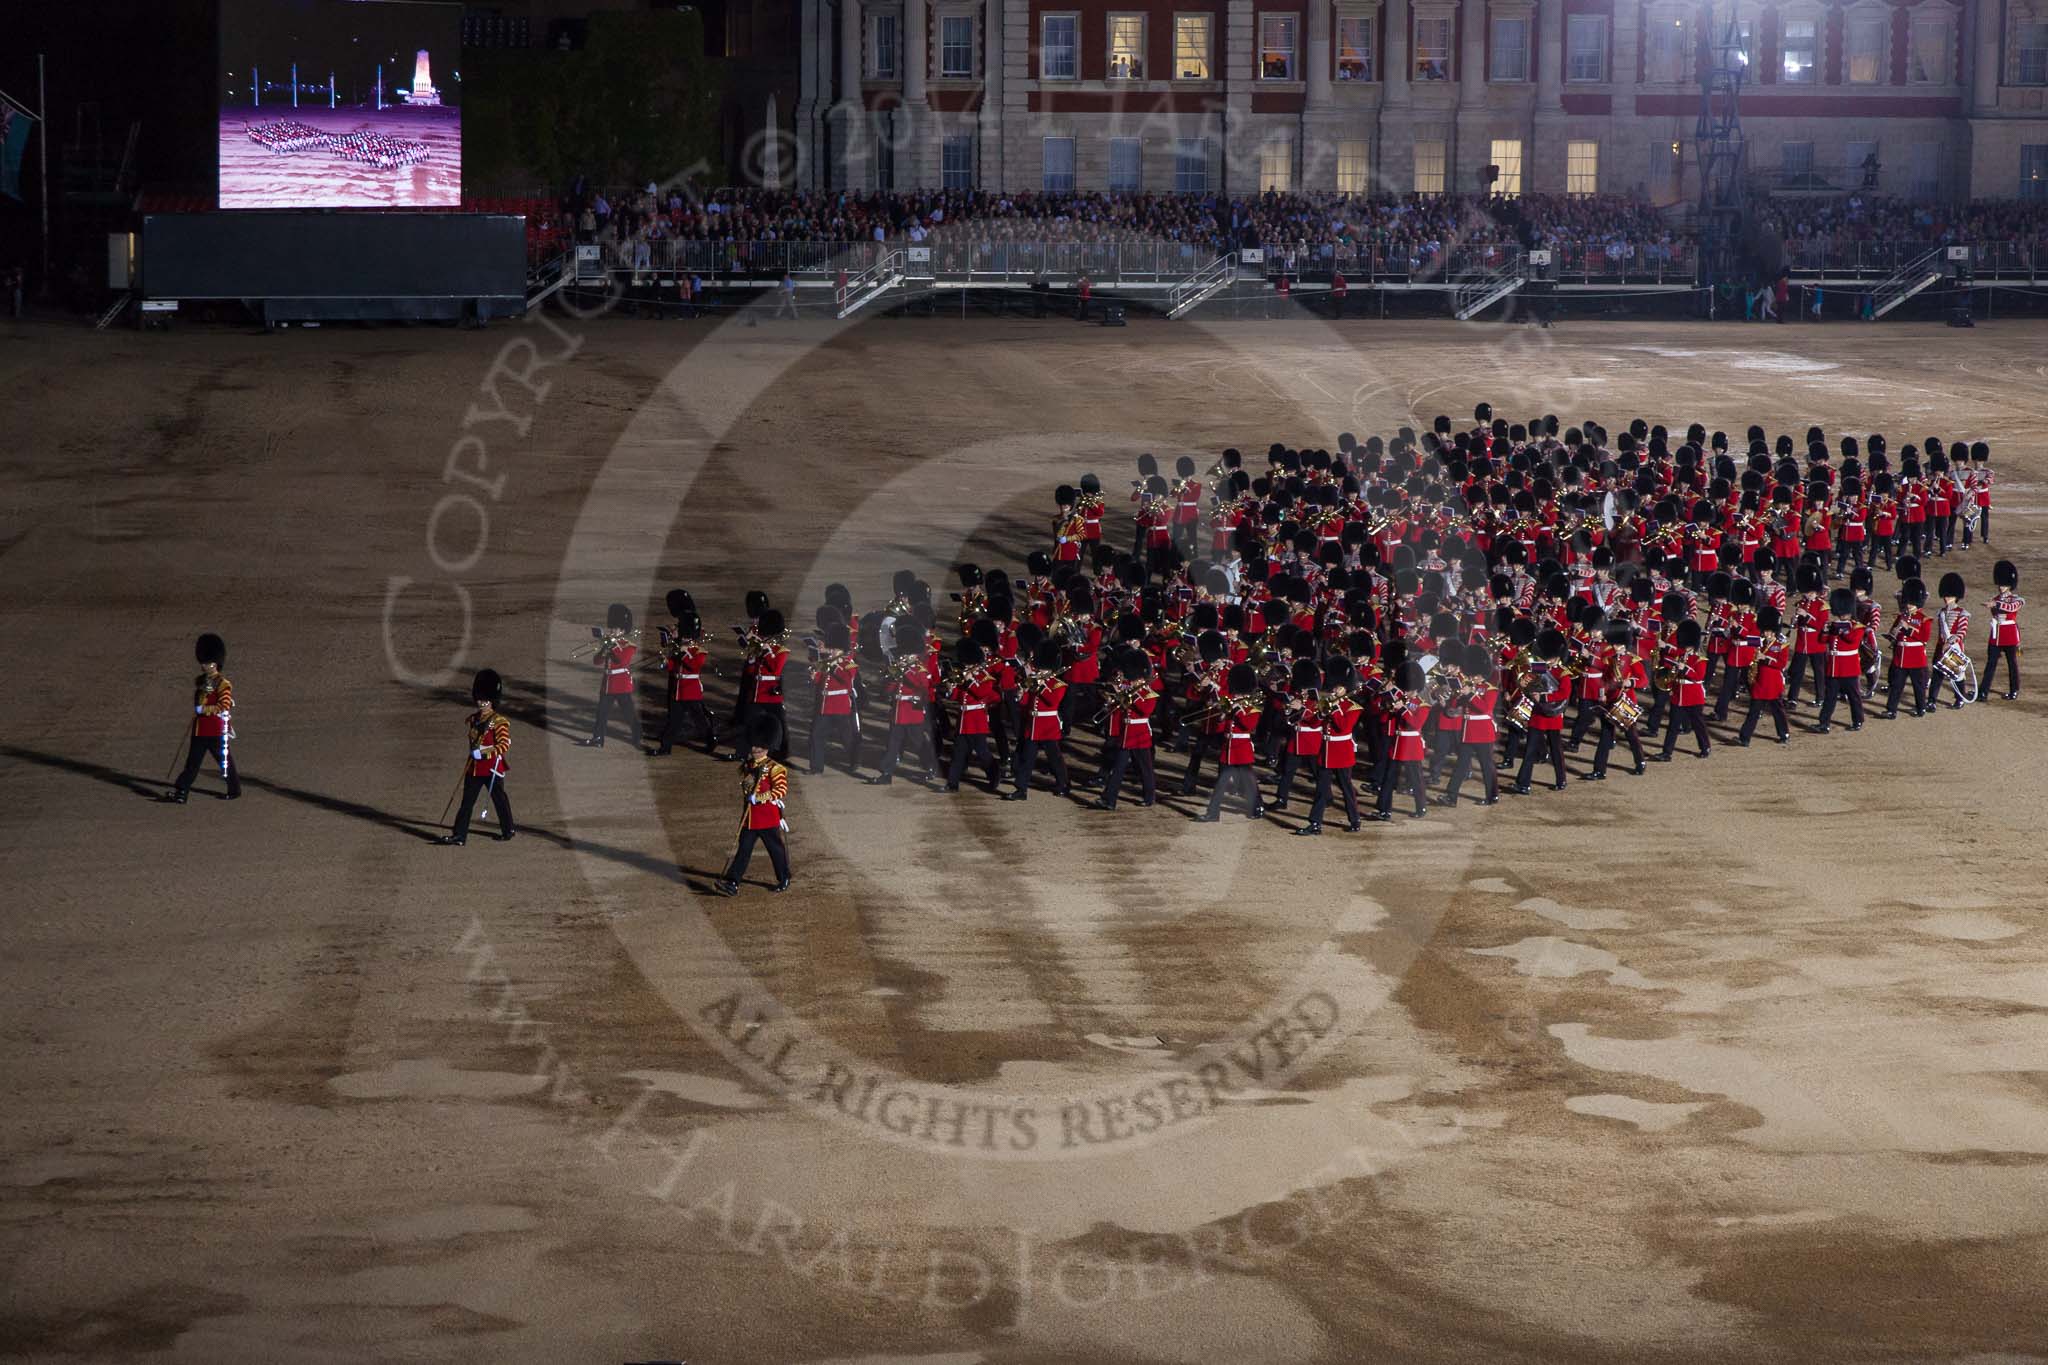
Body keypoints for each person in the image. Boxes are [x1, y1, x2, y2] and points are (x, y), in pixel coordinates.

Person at [716, 714, 792, 895]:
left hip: (767, 818)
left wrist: (760, 798)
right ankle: (733, 882)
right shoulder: (749, 766)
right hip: (750, 818)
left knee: (775, 851)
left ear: (767, 746)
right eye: (754, 745)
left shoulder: (775, 768)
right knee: (743, 851)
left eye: (759, 746)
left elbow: (781, 791)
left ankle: (784, 877)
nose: (755, 748)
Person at [438, 669, 515, 845]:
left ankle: (508, 828)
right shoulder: (473, 720)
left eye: (485, 700)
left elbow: (504, 745)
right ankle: (459, 835)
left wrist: (484, 753)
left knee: (499, 799)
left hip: (492, 767)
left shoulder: (499, 722)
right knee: (467, 802)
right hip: (474, 767)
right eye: (479, 699)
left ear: (492, 700)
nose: (481, 703)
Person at [164, 632, 241, 803]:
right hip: (200, 729)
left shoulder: (223, 684)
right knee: (192, 764)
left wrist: (204, 709)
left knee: (225, 762)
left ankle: (234, 789)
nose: (203, 666)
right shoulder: (203, 683)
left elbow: (224, 705)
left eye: (206, 663)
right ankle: (181, 793)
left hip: (215, 729)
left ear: (214, 664)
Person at [1297, 661, 1364, 833]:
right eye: (1335, 687)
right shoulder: (1327, 702)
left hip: (1341, 752)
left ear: (1346, 688)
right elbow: (1314, 725)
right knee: (1321, 790)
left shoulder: (1353, 707)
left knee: (1346, 789)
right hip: (1326, 751)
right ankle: (1315, 823)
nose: (1335, 690)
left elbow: (1343, 727)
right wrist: (1318, 713)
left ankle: (1355, 819)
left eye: (1339, 688)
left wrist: (1333, 709)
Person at [1196, 668, 1265, 822]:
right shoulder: (1231, 705)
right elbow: (1221, 727)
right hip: (1228, 748)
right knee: (1220, 783)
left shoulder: (1252, 709)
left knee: (1249, 782)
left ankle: (1257, 806)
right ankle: (1213, 813)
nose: (1237, 696)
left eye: (1239, 694)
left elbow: (1248, 726)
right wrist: (1221, 717)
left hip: (1242, 749)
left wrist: (1238, 711)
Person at [1094, 649, 1159, 810]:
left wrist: (1127, 697)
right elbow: (1120, 708)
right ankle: (1109, 800)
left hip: (1140, 734)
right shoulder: (1129, 691)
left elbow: (1145, 711)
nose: (1134, 682)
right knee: (1118, 768)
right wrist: (1115, 698)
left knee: (1145, 769)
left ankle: (1149, 796)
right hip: (1126, 734)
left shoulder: (1148, 694)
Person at [1005, 644, 1071, 800]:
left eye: (1042, 669)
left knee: (1054, 758)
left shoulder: (1058, 684)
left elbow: (1052, 702)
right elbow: (1027, 703)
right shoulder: (1035, 681)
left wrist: (1040, 687)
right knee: (1026, 758)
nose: (1039, 671)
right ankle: (1021, 789)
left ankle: (1063, 784)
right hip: (1032, 725)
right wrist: (1022, 693)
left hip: (1048, 726)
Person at [652, 602, 717, 756]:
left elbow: (694, 666)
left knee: (699, 720)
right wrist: (665, 662)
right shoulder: (679, 648)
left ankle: (711, 741)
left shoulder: (699, 651)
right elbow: (674, 666)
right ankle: (665, 748)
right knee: (674, 721)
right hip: (678, 690)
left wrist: (684, 652)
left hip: (691, 690)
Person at [576, 603, 640, 748]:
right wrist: (603, 648)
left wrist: (610, 647)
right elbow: (597, 662)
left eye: (615, 628)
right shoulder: (610, 643)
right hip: (608, 684)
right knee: (601, 714)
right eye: (611, 628)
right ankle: (598, 738)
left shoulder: (629, 646)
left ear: (622, 630)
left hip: (622, 684)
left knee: (628, 713)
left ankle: (637, 735)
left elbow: (621, 661)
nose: (611, 630)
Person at [807, 621, 862, 775]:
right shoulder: (826, 662)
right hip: (825, 705)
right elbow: (820, 681)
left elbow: (847, 681)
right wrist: (814, 675)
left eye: (834, 648)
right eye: (831, 647)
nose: (831, 651)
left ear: (841, 648)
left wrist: (834, 666)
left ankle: (855, 760)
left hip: (840, 706)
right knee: (817, 736)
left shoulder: (849, 664)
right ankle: (816, 767)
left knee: (847, 738)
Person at [1735, 605, 1793, 745]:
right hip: (1760, 683)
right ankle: (1745, 738)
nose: (1766, 634)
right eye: (1765, 631)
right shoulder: (1761, 641)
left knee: (1778, 712)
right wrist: (1739, 641)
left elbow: (1781, 664)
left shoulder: (1780, 645)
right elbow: (1747, 640)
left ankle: (1784, 734)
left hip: (1773, 684)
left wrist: (1765, 659)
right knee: (1753, 712)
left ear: (1774, 631)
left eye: (1768, 631)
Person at [1817, 586, 1872, 731]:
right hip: (1834, 667)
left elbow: (1851, 640)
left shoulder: (1857, 627)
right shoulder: (1834, 625)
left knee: (1854, 697)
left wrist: (1841, 629)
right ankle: (1824, 723)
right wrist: (1825, 630)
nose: (1842, 616)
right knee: (1830, 698)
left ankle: (1858, 721)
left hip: (1849, 668)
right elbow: (1823, 641)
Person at [1879, 578, 1932, 718]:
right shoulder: (1901, 616)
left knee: (1918, 686)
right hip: (1900, 656)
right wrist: (1893, 634)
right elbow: (1894, 632)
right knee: (1896, 686)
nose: (1908, 605)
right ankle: (1891, 710)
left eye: (1911, 602)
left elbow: (1924, 637)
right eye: (1907, 602)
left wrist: (1908, 628)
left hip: (1915, 657)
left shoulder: (1924, 619)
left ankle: (1921, 708)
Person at [1984, 560, 2022, 700]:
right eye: (2000, 584)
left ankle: (2014, 690)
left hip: (2010, 634)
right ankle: (1983, 691)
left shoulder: (2017, 599)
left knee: (2012, 664)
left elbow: (2011, 608)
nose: (2001, 587)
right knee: (1991, 664)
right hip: (1996, 634)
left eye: (2004, 584)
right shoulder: (1994, 599)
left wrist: (1997, 603)